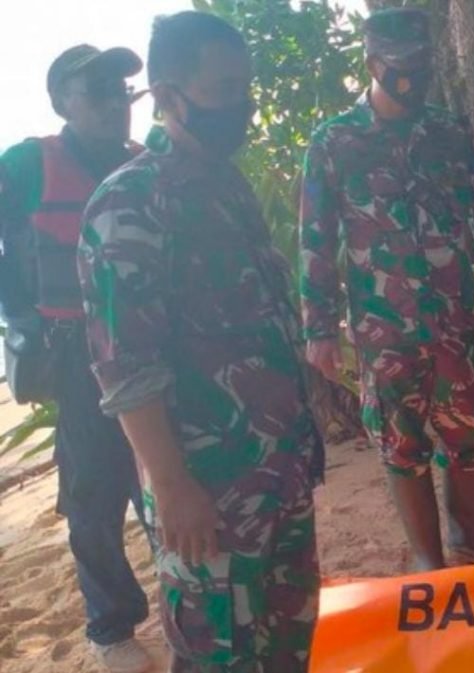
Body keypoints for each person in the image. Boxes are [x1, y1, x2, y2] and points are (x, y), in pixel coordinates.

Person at [78, 12, 324, 672]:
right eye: (222, 89)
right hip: (207, 493)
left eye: (246, 87)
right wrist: (172, 484)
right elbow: (126, 366)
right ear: (166, 95)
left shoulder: (225, 183)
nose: (240, 104)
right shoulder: (128, 203)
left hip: (276, 475)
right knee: (220, 655)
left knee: (287, 643)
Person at [300, 7, 474, 571]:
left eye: (424, 65)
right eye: (404, 67)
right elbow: (314, 239)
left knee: (467, 434)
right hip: (385, 330)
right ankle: (431, 560)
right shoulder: (335, 142)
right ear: (373, 63)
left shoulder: (447, 132)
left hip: (454, 319)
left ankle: (471, 538)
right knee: (402, 447)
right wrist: (319, 329)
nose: (417, 78)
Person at [0, 44, 152, 673]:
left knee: (167, 479)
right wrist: (22, 324)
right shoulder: (28, 163)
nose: (116, 104)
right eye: (98, 92)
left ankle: (191, 594)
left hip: (149, 347)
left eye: (123, 92)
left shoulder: (146, 165)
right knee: (94, 490)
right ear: (61, 100)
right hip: (75, 354)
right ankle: (110, 627)